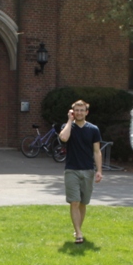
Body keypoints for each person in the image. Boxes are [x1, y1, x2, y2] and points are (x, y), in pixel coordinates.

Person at [58, 99, 102, 243]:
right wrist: (69, 121)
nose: (79, 112)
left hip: (88, 170)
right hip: (72, 170)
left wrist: (99, 170)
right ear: (73, 112)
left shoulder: (93, 129)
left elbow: (97, 151)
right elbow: (63, 138)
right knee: (75, 202)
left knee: (83, 203)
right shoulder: (68, 127)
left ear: (86, 112)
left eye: (82, 110)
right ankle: (78, 233)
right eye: (76, 110)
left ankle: (78, 229)